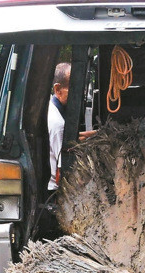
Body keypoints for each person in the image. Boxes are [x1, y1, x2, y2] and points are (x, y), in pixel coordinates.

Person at [48, 62, 96, 190]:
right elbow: (63, 168)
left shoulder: (51, 109)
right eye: (74, 89)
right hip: (56, 189)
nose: (80, 94)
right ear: (58, 89)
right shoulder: (58, 124)